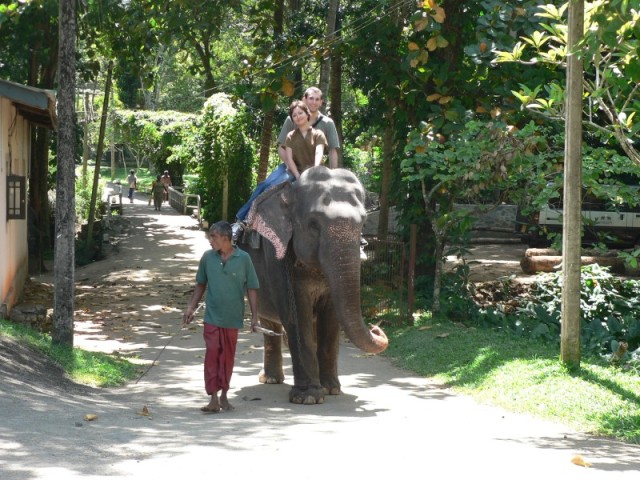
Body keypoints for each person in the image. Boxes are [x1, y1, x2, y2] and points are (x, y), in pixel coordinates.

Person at [233, 86, 339, 228]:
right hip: (290, 167)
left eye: (317, 99)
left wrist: (333, 174)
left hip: (314, 168)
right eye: (311, 99)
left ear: (321, 102)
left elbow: (332, 150)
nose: (313, 102)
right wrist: (291, 167)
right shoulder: (292, 120)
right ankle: (242, 219)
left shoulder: (327, 124)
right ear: (304, 99)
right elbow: (281, 148)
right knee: (266, 186)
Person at [183, 221, 259, 413]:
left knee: (227, 357)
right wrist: (190, 307)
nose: (210, 240)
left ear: (226, 239)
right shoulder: (208, 258)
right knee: (212, 355)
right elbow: (200, 284)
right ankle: (213, 398)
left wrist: (255, 317)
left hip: (233, 318)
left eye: (213, 236)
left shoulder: (244, 259)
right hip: (212, 317)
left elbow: (252, 288)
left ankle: (224, 396)